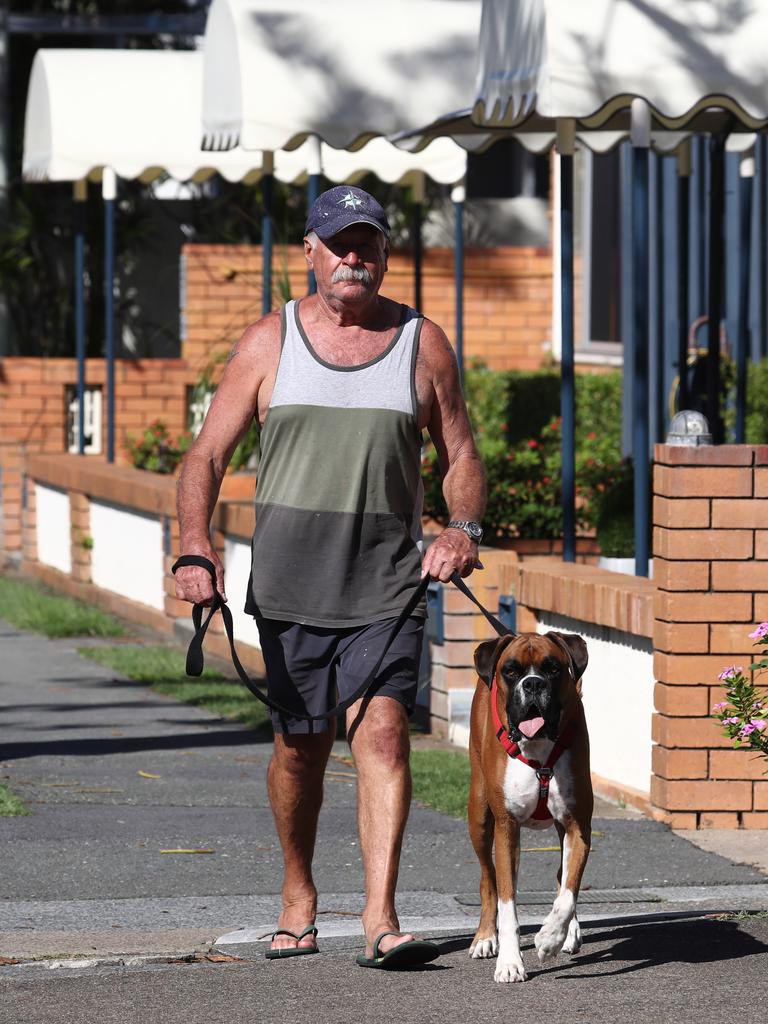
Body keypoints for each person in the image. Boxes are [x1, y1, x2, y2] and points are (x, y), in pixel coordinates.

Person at [175, 185, 485, 968]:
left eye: (368, 244)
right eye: (339, 244)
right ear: (309, 252)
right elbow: (206, 455)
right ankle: (298, 892)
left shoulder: (423, 343)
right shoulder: (268, 341)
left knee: (382, 734)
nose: (355, 258)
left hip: (387, 584)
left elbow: (460, 455)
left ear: (384, 254)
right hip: (289, 585)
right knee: (299, 749)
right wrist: (193, 545)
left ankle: (381, 916)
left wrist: (461, 527)